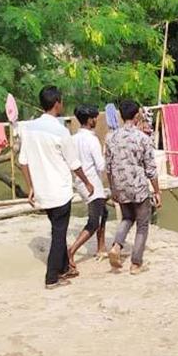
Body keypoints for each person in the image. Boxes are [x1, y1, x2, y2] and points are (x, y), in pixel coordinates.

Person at [19, 86, 95, 290]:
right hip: (60, 191)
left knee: (57, 228)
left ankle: (63, 267)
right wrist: (87, 182)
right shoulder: (60, 131)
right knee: (59, 234)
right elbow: (74, 163)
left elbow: (22, 162)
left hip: (43, 192)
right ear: (57, 103)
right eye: (61, 101)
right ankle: (52, 277)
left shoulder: (28, 129)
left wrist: (30, 187)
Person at [106, 100, 162, 275]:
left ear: (121, 116)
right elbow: (151, 169)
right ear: (137, 115)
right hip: (138, 187)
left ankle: (116, 245)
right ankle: (136, 264)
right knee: (142, 224)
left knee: (127, 218)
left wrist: (113, 188)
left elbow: (108, 167)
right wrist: (157, 190)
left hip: (120, 186)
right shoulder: (142, 139)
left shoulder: (111, 138)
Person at [67, 105, 108, 270]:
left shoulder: (73, 139)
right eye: (95, 117)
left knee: (103, 212)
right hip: (92, 184)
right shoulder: (92, 140)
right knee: (93, 222)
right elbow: (100, 165)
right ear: (90, 120)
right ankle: (71, 251)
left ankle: (101, 247)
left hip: (79, 182)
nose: (96, 120)